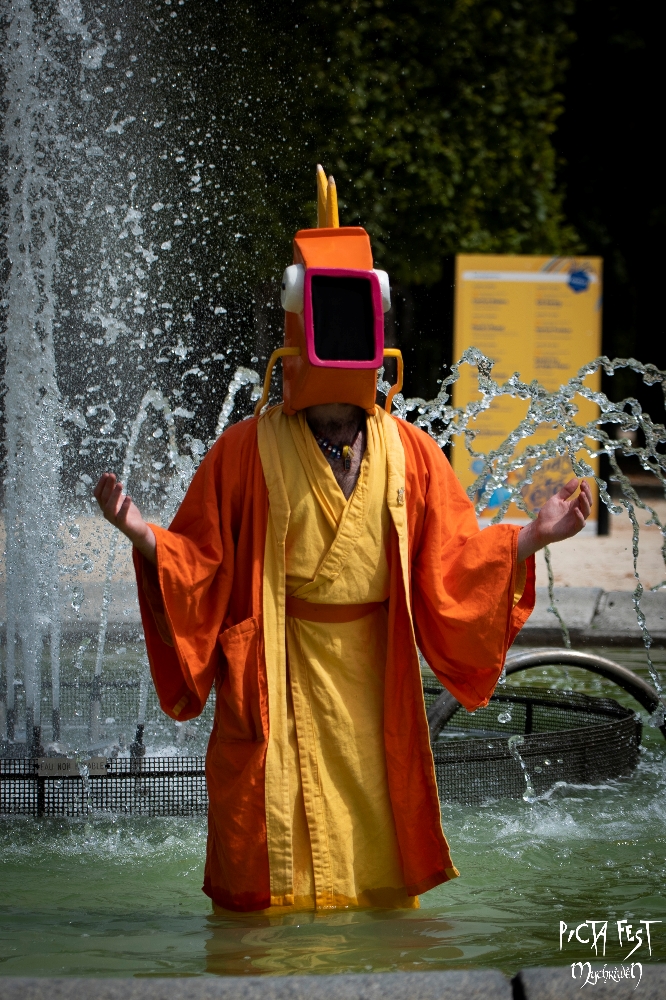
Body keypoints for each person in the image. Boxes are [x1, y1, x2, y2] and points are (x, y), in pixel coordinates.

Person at [94, 168, 592, 914]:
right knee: (270, 882)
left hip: (371, 676)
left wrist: (531, 539)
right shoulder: (244, 449)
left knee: (376, 866)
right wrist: (141, 533)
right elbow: (198, 563)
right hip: (278, 667)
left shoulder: (411, 451)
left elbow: (455, 560)